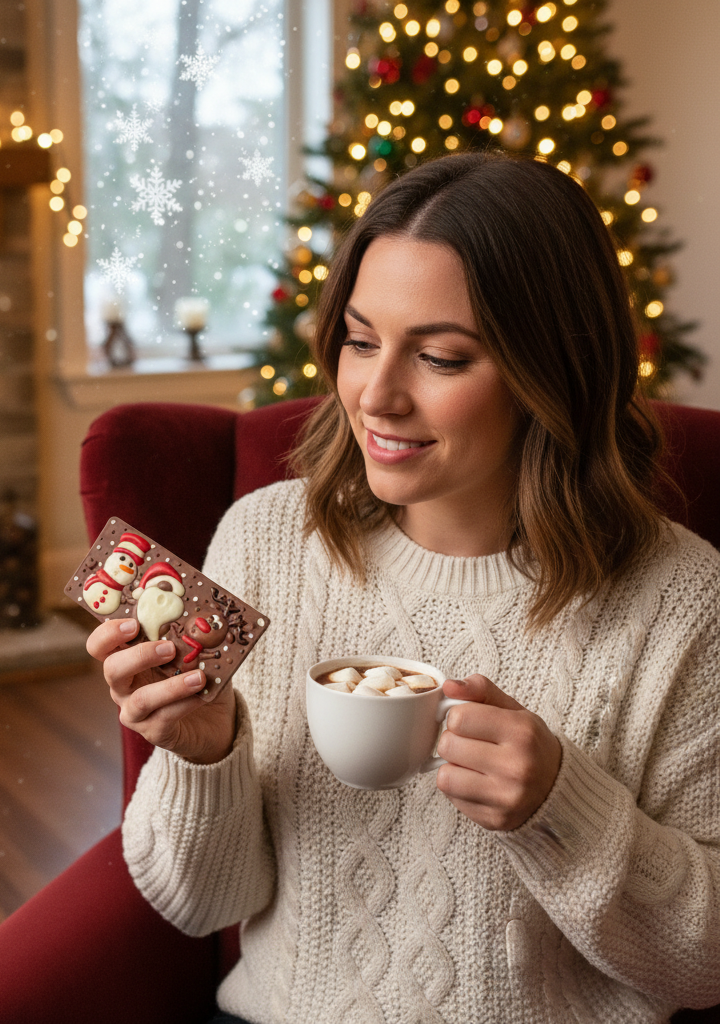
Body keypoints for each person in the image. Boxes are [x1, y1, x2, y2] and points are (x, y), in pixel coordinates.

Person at [87, 153, 720, 1024]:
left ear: (553, 372)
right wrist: (204, 752)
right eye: (359, 340)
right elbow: (200, 905)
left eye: (442, 358)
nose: (376, 396)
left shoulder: (682, 601)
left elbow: (707, 967)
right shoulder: (268, 540)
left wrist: (562, 809)